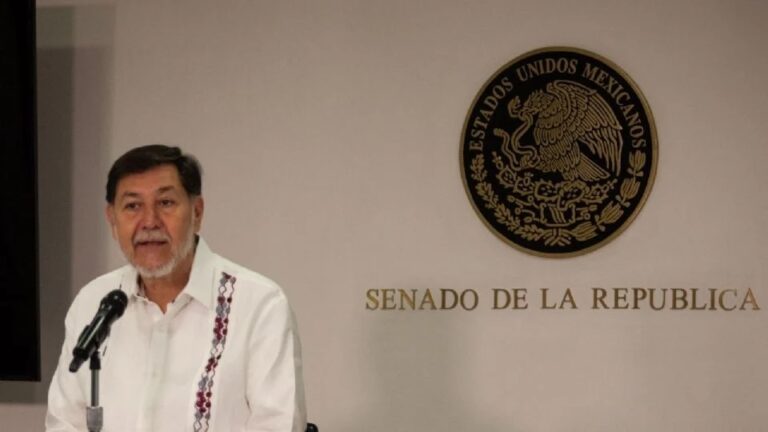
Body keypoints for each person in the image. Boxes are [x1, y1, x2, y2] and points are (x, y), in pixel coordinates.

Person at [46, 145, 306, 432]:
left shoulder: (259, 305)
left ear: (197, 212)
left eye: (166, 203)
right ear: (112, 219)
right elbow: (64, 422)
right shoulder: (93, 302)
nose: (149, 221)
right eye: (132, 206)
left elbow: (278, 425)